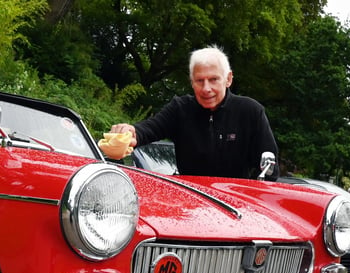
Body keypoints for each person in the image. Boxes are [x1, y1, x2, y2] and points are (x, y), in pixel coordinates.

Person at [109, 45, 279, 180]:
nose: (206, 89)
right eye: (199, 80)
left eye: (213, 79)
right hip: (190, 204)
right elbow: (147, 130)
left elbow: (270, 170)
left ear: (228, 79)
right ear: (192, 82)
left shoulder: (250, 111)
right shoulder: (180, 109)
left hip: (235, 205)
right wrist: (130, 132)